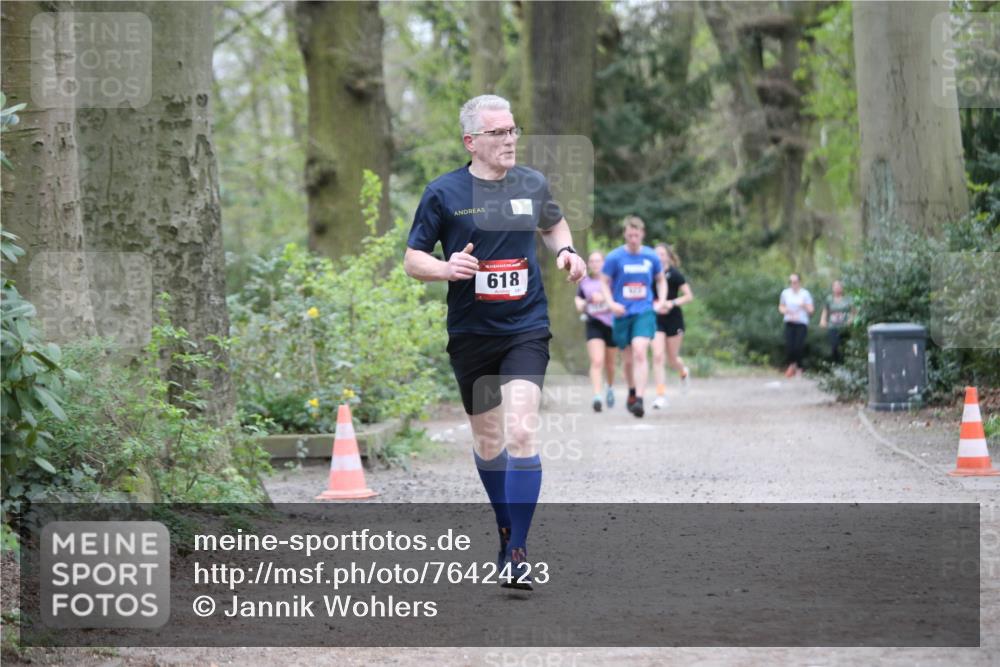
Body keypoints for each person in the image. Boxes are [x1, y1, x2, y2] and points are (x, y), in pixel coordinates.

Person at [404, 94, 586, 591]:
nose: (509, 140)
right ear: (471, 142)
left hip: (525, 328)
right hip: (471, 336)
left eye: (512, 131)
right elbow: (412, 258)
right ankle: (505, 532)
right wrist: (445, 268)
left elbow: (553, 224)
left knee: (522, 433)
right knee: (489, 443)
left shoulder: (532, 182)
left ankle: (520, 552)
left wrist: (567, 251)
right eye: (498, 133)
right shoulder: (443, 193)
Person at [599, 216, 668, 418]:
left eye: (636, 235)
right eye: (630, 235)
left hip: (644, 310)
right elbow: (604, 282)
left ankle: (639, 399)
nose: (633, 239)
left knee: (640, 350)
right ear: (625, 235)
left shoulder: (651, 257)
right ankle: (631, 391)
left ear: (642, 235)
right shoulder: (614, 257)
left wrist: (661, 300)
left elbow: (661, 280)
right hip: (622, 312)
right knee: (628, 360)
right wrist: (611, 304)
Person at [650, 243, 693, 409]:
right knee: (658, 356)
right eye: (656, 254)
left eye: (662, 254)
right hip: (656, 319)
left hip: (674, 319)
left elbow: (689, 296)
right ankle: (661, 395)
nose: (659, 257)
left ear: (668, 256)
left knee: (672, 358)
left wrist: (671, 303)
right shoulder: (650, 274)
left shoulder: (675, 275)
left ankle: (683, 372)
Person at [574, 251, 617, 412]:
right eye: (592, 261)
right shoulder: (584, 282)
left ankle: (610, 387)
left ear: (604, 263)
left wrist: (605, 299)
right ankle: (597, 396)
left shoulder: (611, 280)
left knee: (610, 364)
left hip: (612, 324)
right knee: (597, 361)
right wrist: (584, 303)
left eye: (598, 261)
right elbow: (579, 301)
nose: (595, 264)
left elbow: (619, 298)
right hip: (594, 324)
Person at [778, 273, 814, 377]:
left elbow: (811, 310)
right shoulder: (785, 293)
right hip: (789, 321)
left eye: (794, 282)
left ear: (799, 282)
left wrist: (804, 306)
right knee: (790, 346)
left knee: (798, 346)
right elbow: (781, 307)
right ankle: (791, 366)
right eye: (791, 282)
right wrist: (786, 310)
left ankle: (799, 368)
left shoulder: (805, 294)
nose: (792, 284)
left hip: (801, 323)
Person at [819, 280, 853, 364]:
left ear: (842, 288)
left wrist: (851, 320)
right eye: (835, 286)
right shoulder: (829, 299)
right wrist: (823, 320)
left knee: (844, 347)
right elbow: (825, 310)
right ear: (832, 288)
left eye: (839, 286)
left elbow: (854, 311)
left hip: (844, 327)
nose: (837, 288)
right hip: (832, 326)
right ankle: (836, 364)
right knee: (834, 346)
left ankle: (845, 364)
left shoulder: (848, 299)